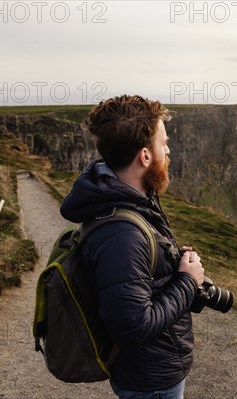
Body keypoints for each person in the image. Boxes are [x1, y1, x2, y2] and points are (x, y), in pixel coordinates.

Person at [60, 94, 204, 399]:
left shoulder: (127, 199)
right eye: (163, 143)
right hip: (150, 381)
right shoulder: (121, 234)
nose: (169, 150)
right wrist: (188, 282)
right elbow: (133, 326)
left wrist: (173, 264)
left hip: (150, 371)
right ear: (145, 156)